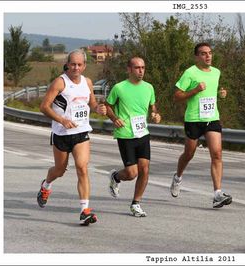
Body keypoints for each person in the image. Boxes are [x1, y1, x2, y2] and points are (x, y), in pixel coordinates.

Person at [37, 49, 107, 226]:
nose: (76, 67)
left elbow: (91, 103)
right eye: (73, 64)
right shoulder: (60, 83)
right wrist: (61, 119)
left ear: (84, 66)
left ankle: (85, 210)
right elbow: (44, 107)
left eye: (79, 64)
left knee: (82, 167)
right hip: (61, 134)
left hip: (81, 132)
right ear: (67, 64)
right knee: (59, 170)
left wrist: (98, 108)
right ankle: (46, 185)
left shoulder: (87, 82)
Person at [170, 42, 232, 209]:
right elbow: (176, 96)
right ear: (197, 56)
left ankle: (217, 193)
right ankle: (178, 177)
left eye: (210, 53)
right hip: (193, 119)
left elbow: (214, 90)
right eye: (204, 53)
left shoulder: (216, 72)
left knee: (217, 154)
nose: (208, 56)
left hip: (212, 118)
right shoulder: (190, 73)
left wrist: (221, 94)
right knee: (189, 153)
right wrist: (195, 90)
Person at [105, 57, 161, 217]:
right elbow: (108, 106)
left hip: (142, 133)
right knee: (131, 173)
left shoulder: (149, 88)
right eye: (137, 68)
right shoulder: (119, 88)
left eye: (143, 67)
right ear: (129, 69)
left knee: (144, 169)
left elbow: (153, 108)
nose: (141, 71)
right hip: (125, 134)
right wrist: (115, 119)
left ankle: (136, 203)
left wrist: (156, 115)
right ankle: (116, 176)